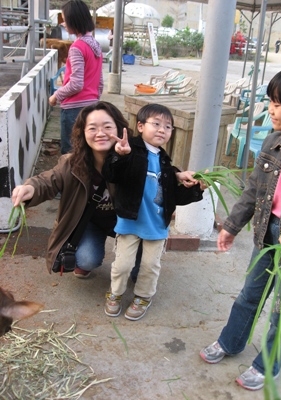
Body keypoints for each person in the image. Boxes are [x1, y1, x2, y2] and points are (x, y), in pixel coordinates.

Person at [199, 63, 281, 391]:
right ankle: (231, 342)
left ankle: (267, 364)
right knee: (249, 295)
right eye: (270, 100)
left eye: (277, 103)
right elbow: (254, 189)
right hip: (265, 232)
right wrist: (231, 225)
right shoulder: (274, 140)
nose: (270, 109)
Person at [102, 103, 205, 321]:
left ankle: (143, 297)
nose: (162, 130)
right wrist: (120, 156)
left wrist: (196, 190)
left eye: (168, 127)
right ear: (140, 126)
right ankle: (116, 293)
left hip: (157, 224)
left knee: (149, 266)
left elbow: (173, 198)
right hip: (130, 221)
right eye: (156, 124)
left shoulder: (166, 162)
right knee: (122, 264)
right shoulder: (130, 149)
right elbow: (112, 174)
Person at [11, 101, 136, 279]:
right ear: (83, 133)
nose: (100, 133)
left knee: (140, 272)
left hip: (127, 222)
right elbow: (49, 180)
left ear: (119, 129)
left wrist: (177, 176)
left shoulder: (135, 159)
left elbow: (159, 176)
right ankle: (86, 254)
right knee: (86, 259)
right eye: (92, 128)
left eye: (107, 127)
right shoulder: (72, 163)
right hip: (91, 221)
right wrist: (30, 188)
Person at [49, 0, 103, 155]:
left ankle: (70, 179)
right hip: (91, 106)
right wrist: (94, 100)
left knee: (70, 152)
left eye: (65, 19)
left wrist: (55, 96)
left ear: (74, 20)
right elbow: (99, 81)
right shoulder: (96, 45)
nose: (63, 23)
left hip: (74, 108)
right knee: (86, 150)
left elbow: (76, 84)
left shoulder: (77, 47)